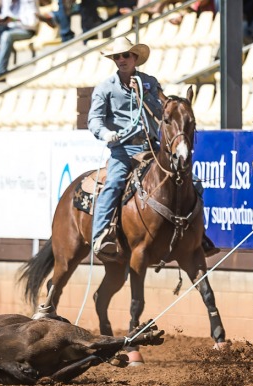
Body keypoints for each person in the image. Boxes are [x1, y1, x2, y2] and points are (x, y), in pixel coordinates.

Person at [88, 36, 163, 260]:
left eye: (126, 55)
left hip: (150, 147)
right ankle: (100, 236)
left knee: (187, 180)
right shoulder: (105, 88)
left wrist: (144, 96)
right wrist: (106, 134)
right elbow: (94, 120)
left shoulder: (149, 82)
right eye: (117, 56)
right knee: (113, 184)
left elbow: (162, 113)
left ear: (134, 58)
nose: (121, 59)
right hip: (122, 149)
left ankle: (197, 236)